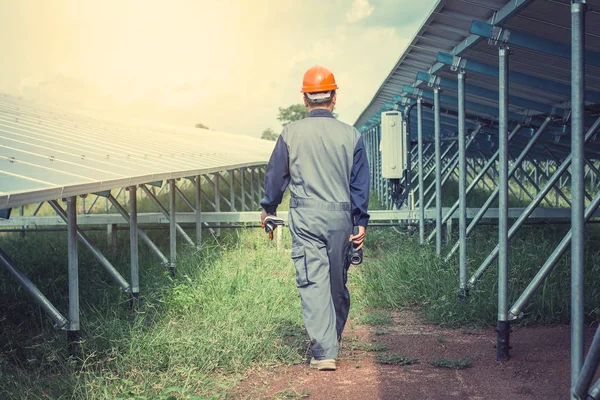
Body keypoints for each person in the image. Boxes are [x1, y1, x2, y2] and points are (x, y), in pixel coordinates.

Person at [260, 65, 370, 371]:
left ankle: (326, 347)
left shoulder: (290, 133)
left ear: (306, 100)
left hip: (306, 217)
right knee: (337, 283)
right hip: (341, 219)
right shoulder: (352, 135)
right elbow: (360, 184)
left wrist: (268, 209)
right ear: (334, 98)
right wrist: (360, 221)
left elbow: (275, 176)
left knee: (313, 282)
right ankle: (326, 346)